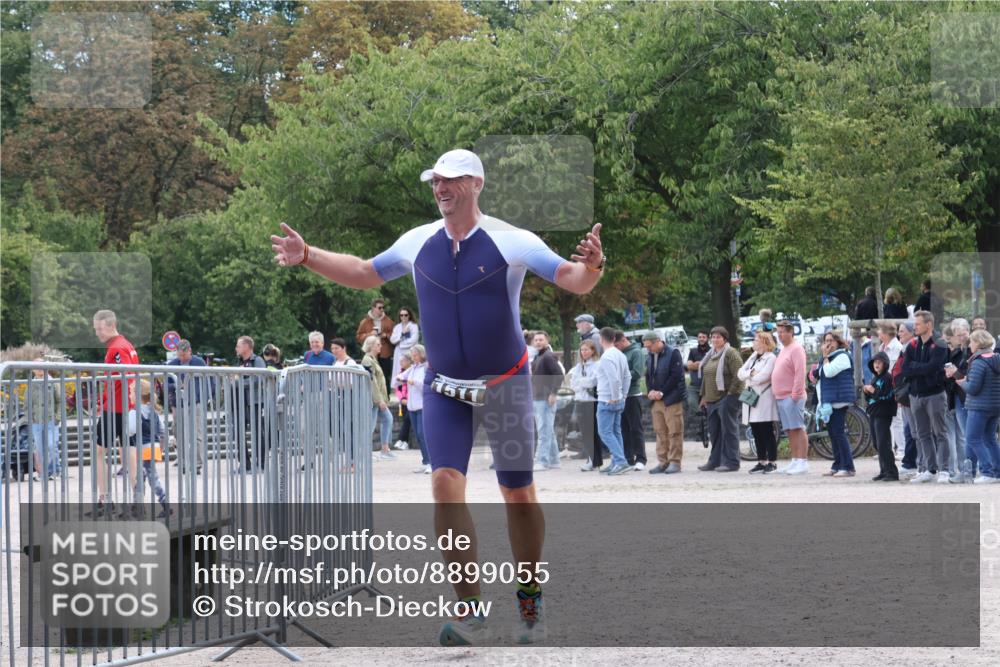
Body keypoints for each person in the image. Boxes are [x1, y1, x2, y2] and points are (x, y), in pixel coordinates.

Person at [272, 147, 605, 646]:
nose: (440, 189)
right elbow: (365, 271)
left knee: (517, 492)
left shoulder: (511, 240)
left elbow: (570, 279)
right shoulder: (417, 241)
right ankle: (470, 608)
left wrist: (593, 268)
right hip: (445, 387)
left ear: (476, 184)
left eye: (450, 181)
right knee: (445, 485)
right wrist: (308, 256)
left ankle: (529, 593)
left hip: (505, 385)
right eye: (435, 182)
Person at [92, 309, 139, 510]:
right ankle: (137, 500)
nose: (97, 333)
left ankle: (105, 499)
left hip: (117, 408)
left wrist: (106, 402)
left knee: (99, 451)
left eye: (99, 329)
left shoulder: (117, 348)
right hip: (124, 407)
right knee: (128, 452)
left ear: (110, 325)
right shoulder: (126, 345)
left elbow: (125, 376)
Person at [903, 310, 951, 483]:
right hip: (915, 395)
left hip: (935, 395)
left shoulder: (940, 344)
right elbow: (905, 368)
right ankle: (930, 470)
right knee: (922, 434)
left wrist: (918, 368)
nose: (914, 327)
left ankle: (944, 470)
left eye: (917, 324)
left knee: (940, 432)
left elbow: (933, 367)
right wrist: (921, 368)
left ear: (928, 325)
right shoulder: (912, 345)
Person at [953, 329, 1000, 483]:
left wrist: (963, 383)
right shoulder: (996, 358)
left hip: (979, 406)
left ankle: (987, 472)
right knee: (990, 439)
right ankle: (997, 472)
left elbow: (973, 388)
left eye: (972, 342)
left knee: (973, 438)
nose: (970, 345)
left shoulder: (979, 361)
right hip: (994, 405)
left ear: (978, 343)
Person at [697, 326, 745, 472]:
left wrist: (730, 394)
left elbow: (739, 375)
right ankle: (715, 461)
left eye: (718, 337)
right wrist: (704, 396)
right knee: (715, 432)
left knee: (729, 431)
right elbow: (707, 376)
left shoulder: (731, 353)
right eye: (713, 337)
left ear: (725, 339)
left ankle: (732, 462)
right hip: (711, 399)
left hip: (727, 398)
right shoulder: (711, 354)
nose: (715, 339)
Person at [643, 330, 685, 474]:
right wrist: (651, 391)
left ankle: (675, 462)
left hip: (671, 399)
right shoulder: (650, 355)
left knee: (674, 431)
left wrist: (662, 392)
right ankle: (663, 461)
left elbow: (676, 376)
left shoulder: (673, 353)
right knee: (660, 432)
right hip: (656, 400)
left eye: (649, 346)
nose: (648, 349)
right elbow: (648, 375)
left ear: (657, 342)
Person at [737, 331, 779, 474]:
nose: (753, 342)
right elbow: (740, 373)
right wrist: (750, 374)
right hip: (751, 396)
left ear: (764, 342)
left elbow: (763, 377)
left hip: (763, 397)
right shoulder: (754, 356)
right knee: (756, 430)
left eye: (755, 340)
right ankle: (761, 461)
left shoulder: (771, 358)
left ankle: (772, 462)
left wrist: (749, 376)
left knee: (766, 430)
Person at [816, 332, 856, 477]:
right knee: (833, 434)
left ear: (838, 342)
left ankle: (848, 467)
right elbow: (820, 374)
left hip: (839, 399)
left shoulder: (843, 356)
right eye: (826, 340)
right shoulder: (829, 358)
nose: (828, 344)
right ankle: (838, 464)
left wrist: (825, 357)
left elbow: (829, 372)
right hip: (830, 400)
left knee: (839, 433)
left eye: (831, 341)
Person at [166, 339, 209, 475]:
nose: (182, 358)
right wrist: (177, 386)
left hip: (196, 402)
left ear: (190, 351)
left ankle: (197, 464)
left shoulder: (199, 362)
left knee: (197, 434)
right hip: (178, 404)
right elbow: (166, 385)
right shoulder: (172, 364)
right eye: (180, 355)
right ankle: (183, 461)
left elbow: (207, 381)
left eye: (184, 355)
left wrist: (205, 398)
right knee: (179, 433)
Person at [772, 321, 809, 475]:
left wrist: (795, 394)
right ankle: (795, 460)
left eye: (782, 332)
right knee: (789, 430)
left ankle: (802, 461)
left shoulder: (796, 349)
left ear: (790, 332)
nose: (779, 335)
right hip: (781, 396)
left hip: (792, 396)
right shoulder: (784, 349)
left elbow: (800, 372)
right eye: (778, 332)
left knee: (798, 428)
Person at [132, 379, 172, 518]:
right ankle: (138, 506)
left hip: (142, 448)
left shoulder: (134, 412)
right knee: (145, 477)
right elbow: (163, 433)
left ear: (137, 395)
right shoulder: (154, 412)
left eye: (131, 393)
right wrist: (160, 449)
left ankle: (163, 504)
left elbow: (130, 431)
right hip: (154, 447)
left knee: (145, 478)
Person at [596, 327, 631, 475]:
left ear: (601, 339)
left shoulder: (606, 356)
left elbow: (613, 379)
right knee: (616, 432)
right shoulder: (620, 355)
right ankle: (617, 462)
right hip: (618, 398)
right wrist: (623, 395)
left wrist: (615, 397)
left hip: (607, 399)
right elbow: (627, 377)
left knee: (605, 432)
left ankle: (620, 461)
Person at [234, 335, 268, 471]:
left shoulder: (257, 360)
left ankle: (261, 463)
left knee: (257, 433)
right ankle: (245, 464)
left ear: (246, 347)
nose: (236, 348)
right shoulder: (239, 361)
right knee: (239, 434)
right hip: (239, 403)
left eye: (238, 345)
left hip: (254, 403)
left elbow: (259, 379)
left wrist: (239, 382)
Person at [531, 331, 564, 471]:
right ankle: (554, 460)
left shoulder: (548, 356)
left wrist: (553, 393)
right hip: (537, 398)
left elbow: (559, 375)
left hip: (545, 398)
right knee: (548, 430)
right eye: (536, 340)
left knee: (543, 431)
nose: (538, 342)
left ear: (547, 340)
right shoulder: (538, 357)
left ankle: (542, 461)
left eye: (541, 339)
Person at [615, 330, 647, 470]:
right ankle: (628, 458)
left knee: (636, 428)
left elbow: (638, 372)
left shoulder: (636, 352)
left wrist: (618, 376)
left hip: (633, 394)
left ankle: (641, 458)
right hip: (620, 395)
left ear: (623, 340)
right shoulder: (619, 353)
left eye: (616, 345)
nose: (615, 348)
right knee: (623, 429)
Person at [569, 339, 604, 472]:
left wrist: (581, 382)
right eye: (582, 350)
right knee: (585, 432)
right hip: (580, 401)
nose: (584, 352)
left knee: (593, 432)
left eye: (587, 350)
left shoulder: (597, 364)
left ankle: (594, 459)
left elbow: (593, 382)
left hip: (592, 402)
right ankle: (592, 459)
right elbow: (573, 384)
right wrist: (582, 382)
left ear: (593, 351)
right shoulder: (578, 366)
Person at [864, 352, 898, 481]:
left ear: (885, 364)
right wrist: (868, 392)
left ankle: (892, 472)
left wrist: (873, 391)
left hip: (883, 413)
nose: (876, 364)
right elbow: (872, 397)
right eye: (875, 362)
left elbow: (886, 396)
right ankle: (884, 470)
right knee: (877, 443)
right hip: (874, 412)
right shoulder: (875, 378)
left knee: (884, 443)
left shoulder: (887, 378)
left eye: (879, 362)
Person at [361, 335, 396, 461]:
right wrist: (379, 400)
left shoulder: (372, 359)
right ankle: (366, 452)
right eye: (378, 344)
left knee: (388, 419)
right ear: (371, 346)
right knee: (370, 426)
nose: (380, 346)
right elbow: (372, 382)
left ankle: (385, 449)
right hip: (373, 400)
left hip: (377, 399)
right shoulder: (367, 360)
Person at [894, 322, 920, 476]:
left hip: (909, 393)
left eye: (902, 331)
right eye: (899, 331)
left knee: (911, 429)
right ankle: (910, 461)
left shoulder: (912, 347)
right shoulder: (905, 348)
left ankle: (911, 462)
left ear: (911, 332)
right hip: (903, 393)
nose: (900, 333)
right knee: (909, 428)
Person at [399, 345, 430, 474]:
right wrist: (400, 378)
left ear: (421, 355)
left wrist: (414, 382)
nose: (413, 357)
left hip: (422, 406)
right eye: (412, 355)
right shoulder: (413, 368)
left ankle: (432, 463)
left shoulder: (426, 367)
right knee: (418, 436)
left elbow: (426, 386)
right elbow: (401, 377)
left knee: (423, 435)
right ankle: (425, 462)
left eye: (415, 355)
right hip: (412, 407)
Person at [28, 361, 62, 480]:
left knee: (52, 445)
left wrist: (57, 417)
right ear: (33, 369)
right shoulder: (30, 383)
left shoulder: (53, 382)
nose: (40, 368)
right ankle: (43, 474)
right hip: (36, 421)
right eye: (36, 367)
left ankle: (55, 470)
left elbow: (60, 400)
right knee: (40, 448)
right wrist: (29, 418)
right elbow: (27, 404)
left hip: (50, 420)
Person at [356, 298, 395, 394]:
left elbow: (395, 336)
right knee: (371, 375)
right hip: (371, 353)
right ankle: (372, 396)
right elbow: (358, 336)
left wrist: (386, 335)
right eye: (380, 307)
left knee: (385, 375)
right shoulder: (365, 321)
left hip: (385, 353)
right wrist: (370, 334)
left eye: (383, 308)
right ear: (373, 308)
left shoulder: (388, 321)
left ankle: (387, 397)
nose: (382, 310)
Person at [390, 307, 420, 389]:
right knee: (399, 371)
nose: (403, 317)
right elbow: (392, 340)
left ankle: (408, 389)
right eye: (401, 315)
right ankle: (399, 391)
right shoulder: (397, 327)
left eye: (405, 315)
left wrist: (401, 344)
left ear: (409, 315)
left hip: (410, 352)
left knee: (409, 371)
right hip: (398, 353)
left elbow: (414, 340)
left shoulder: (414, 326)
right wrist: (402, 335)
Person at [686, 330, 710, 414]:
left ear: (707, 339)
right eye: (699, 337)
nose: (701, 339)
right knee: (691, 402)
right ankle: (700, 414)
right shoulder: (693, 351)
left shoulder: (712, 351)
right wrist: (703, 364)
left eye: (703, 337)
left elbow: (712, 367)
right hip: (694, 386)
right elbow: (689, 366)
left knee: (708, 406)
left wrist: (697, 364)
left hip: (708, 386)